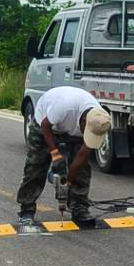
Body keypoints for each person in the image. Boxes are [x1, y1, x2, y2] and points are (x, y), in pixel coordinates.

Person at [17, 86, 112, 226]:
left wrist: (66, 183)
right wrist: (55, 155)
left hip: (71, 127)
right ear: (84, 121)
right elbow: (45, 126)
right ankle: (27, 210)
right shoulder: (64, 107)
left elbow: (81, 157)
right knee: (36, 165)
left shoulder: (99, 121)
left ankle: (79, 208)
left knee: (83, 168)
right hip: (45, 123)